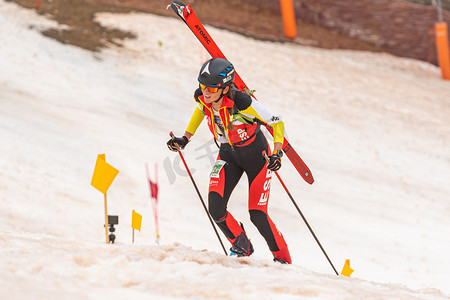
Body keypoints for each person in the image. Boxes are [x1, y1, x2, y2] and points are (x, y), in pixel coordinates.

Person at [167, 58, 291, 264]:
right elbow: (200, 111)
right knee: (215, 208)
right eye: (202, 85)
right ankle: (241, 244)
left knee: (257, 215)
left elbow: (276, 122)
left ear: (225, 88)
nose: (205, 92)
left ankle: (283, 260)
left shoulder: (242, 102)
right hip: (228, 155)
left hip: (257, 157)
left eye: (212, 88)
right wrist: (185, 138)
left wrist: (277, 154)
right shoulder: (202, 97)